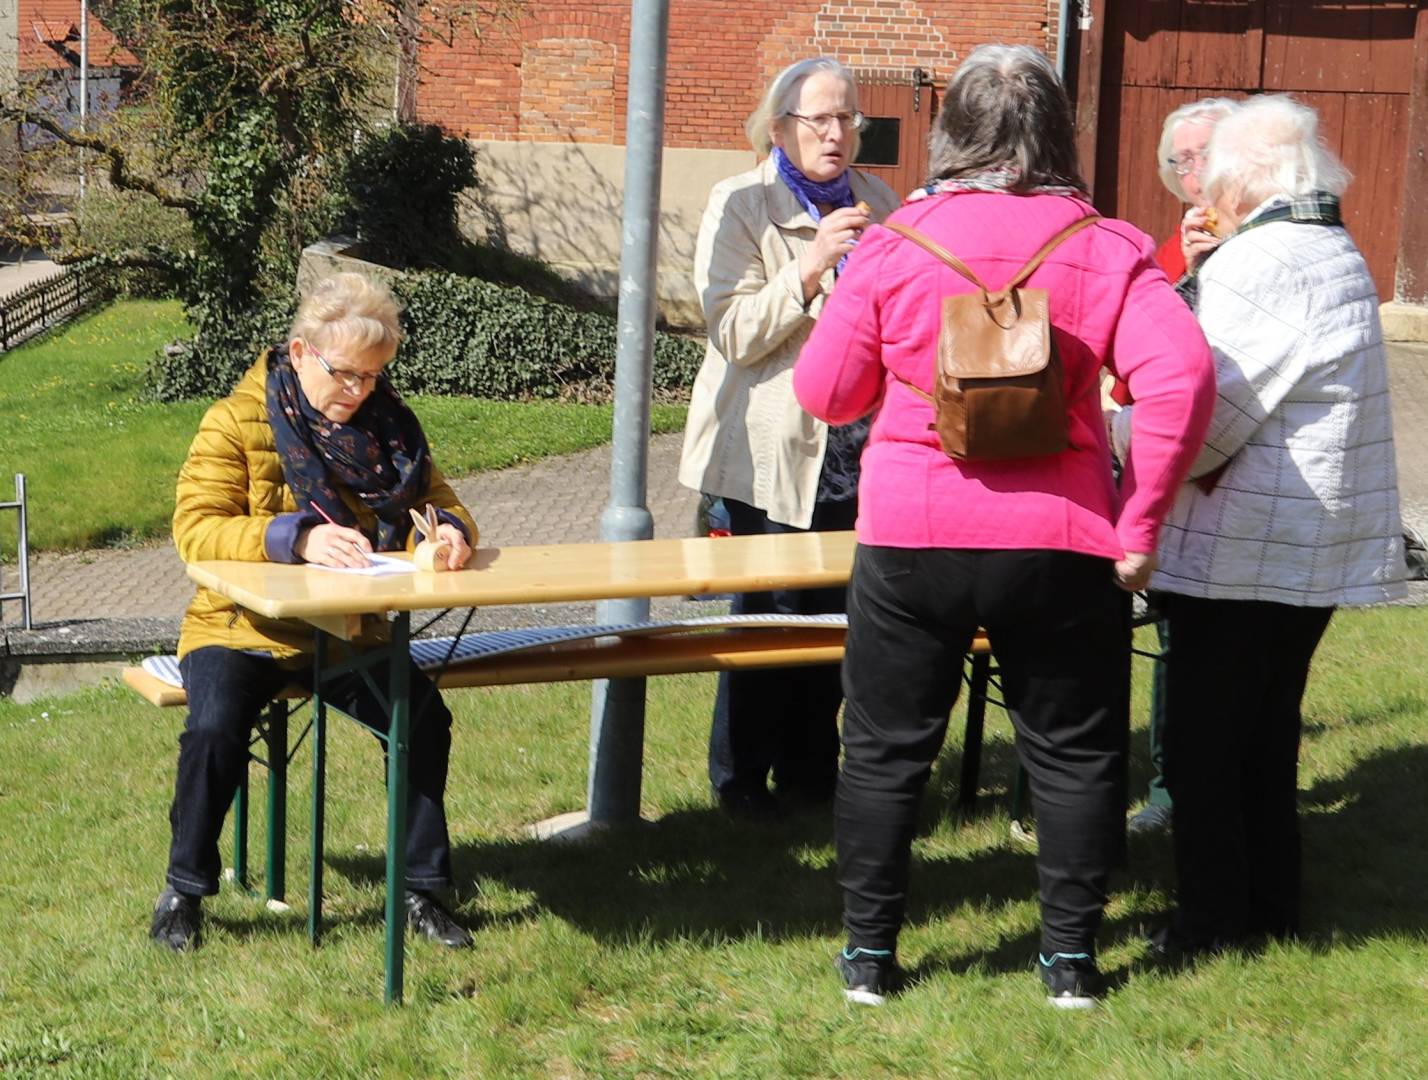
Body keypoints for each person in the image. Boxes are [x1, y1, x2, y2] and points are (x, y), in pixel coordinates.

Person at [793, 44, 1215, 1008]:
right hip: (1061, 538)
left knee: (888, 748)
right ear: (1057, 134)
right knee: (1070, 750)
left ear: (953, 136)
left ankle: (869, 956)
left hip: (910, 538)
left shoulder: (896, 243)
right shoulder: (1106, 247)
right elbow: (1182, 378)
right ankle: (1069, 960)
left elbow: (826, 392)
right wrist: (1140, 519)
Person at [1113, 94, 1407, 956]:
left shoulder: (1265, 260)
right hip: (1299, 553)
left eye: (1218, 174)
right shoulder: (1331, 245)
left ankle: (1209, 928)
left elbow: (1199, 430)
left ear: (1250, 180)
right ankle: (1272, 911)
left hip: (1249, 552)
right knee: (1265, 744)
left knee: (1208, 753)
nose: (1208, 193)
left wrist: (1095, 431)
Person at [150, 273, 478, 952]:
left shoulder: (392, 427)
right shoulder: (234, 420)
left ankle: (420, 890)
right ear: (300, 352)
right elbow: (196, 530)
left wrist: (445, 534)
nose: (359, 392)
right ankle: (183, 890)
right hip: (243, 629)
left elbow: (439, 503)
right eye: (346, 374)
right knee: (213, 731)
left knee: (421, 718)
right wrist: (295, 537)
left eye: (373, 376)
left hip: (352, 631)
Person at [677, 57, 899, 821]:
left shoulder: (880, 203)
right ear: (779, 129)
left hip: (855, 458)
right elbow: (733, 331)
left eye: (849, 119)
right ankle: (739, 785)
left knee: (836, 627)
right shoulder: (739, 203)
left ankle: (811, 775)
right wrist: (807, 270)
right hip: (766, 457)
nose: (838, 134)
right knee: (767, 623)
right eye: (820, 120)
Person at [1120, 96, 1240, 837]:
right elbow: (1140, 366)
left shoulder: (1268, 240)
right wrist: (1187, 270)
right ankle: (1171, 790)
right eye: (1182, 161)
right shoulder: (1167, 253)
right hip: (1178, 477)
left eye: (1207, 156)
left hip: (1243, 475)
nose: (1194, 173)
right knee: (1175, 636)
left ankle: (1219, 791)